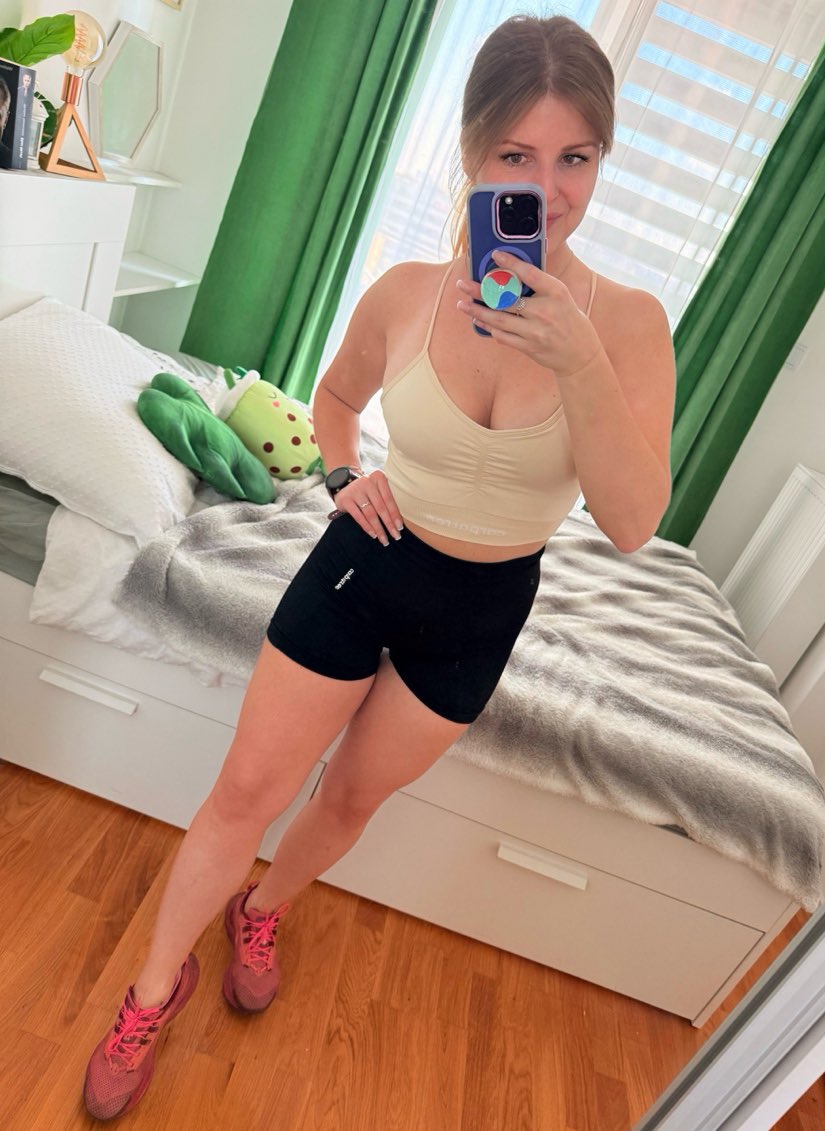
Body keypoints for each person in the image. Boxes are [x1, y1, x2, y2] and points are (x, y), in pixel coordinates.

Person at [83, 13, 675, 1121]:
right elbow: (336, 399)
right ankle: (151, 992)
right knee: (245, 792)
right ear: (472, 152)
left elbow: (634, 521)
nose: (546, 191)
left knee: (350, 797)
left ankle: (264, 911)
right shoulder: (405, 292)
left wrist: (580, 361)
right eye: (516, 155)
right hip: (368, 560)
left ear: (602, 160)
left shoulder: (631, 328)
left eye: (576, 158)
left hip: (484, 602)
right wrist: (341, 473)